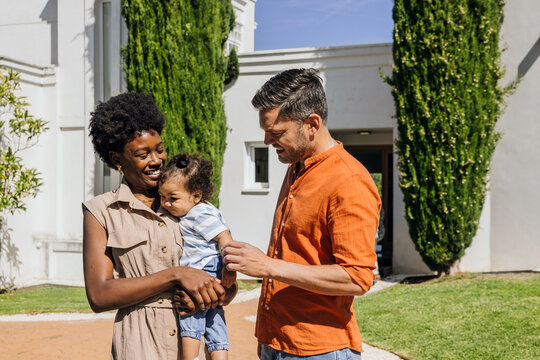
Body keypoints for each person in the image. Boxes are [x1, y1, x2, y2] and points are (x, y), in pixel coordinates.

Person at [223, 68, 381, 359]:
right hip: (276, 341)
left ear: (312, 124)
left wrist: (268, 266)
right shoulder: (297, 166)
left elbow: (358, 278)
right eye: (266, 133)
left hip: (319, 350)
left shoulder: (349, 181)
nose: (269, 142)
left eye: (277, 133)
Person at [83, 92, 234, 360]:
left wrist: (210, 296)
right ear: (117, 158)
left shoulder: (190, 203)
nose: (156, 160)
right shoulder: (101, 211)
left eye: (159, 149)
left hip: (193, 343)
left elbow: (227, 282)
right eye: (143, 154)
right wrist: (175, 275)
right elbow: (99, 295)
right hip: (139, 346)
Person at [158, 152, 236, 360]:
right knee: (214, 320)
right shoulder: (203, 209)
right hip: (213, 270)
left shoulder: (197, 213)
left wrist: (230, 268)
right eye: (162, 197)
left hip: (202, 270)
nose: (166, 203)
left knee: (190, 317)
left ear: (196, 196)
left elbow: (225, 236)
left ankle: (189, 358)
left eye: (173, 198)